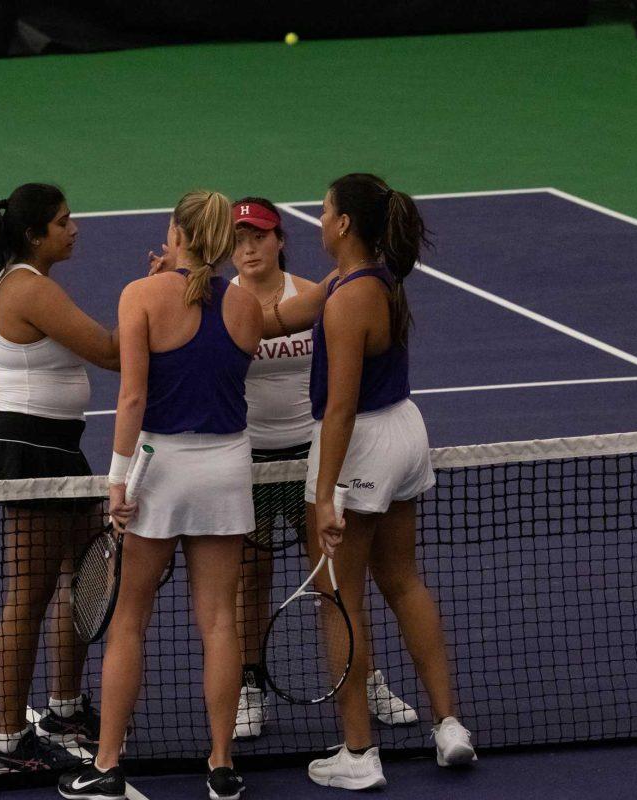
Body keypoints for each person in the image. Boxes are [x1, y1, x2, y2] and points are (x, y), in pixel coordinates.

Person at [266, 174, 477, 789]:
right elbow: (278, 318)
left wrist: (326, 494)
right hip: (406, 433)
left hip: (360, 443)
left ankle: (359, 753)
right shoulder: (368, 280)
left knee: (338, 597)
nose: (318, 221)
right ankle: (449, 727)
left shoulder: (345, 299)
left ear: (344, 225)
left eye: (325, 211)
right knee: (402, 579)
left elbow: (339, 407)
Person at [58, 190, 261, 800]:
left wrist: (117, 477)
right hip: (227, 467)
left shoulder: (139, 296)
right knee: (221, 621)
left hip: (159, 470)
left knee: (128, 621)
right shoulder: (248, 306)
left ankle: (107, 763)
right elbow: (212, 359)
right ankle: (222, 766)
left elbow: (134, 397)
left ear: (175, 232)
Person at [226, 198, 418, 741]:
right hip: (252, 459)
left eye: (259, 236)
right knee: (250, 577)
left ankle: (368, 679)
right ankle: (249, 685)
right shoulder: (224, 304)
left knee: (336, 580)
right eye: (240, 238)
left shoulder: (315, 293)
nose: (249, 247)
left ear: (279, 240)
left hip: (311, 454)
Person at [0, 183, 120, 775]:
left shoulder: (31, 281)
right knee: (28, 598)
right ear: (35, 235)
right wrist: (177, 322)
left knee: (87, 574)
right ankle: (7, 742)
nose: (74, 228)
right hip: (27, 454)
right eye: (63, 222)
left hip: (58, 450)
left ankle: (63, 708)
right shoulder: (30, 288)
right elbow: (108, 349)